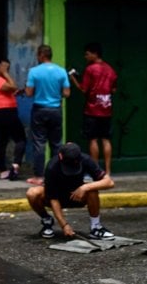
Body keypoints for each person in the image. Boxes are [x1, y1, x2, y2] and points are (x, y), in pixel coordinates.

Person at [26, 142, 116, 240]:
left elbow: (109, 182)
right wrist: (64, 225)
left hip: (76, 196)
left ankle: (96, 227)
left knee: (92, 190)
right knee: (32, 193)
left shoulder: (86, 159)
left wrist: (84, 187)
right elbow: (53, 198)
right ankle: (47, 220)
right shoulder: (52, 166)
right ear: (60, 156)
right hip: (57, 198)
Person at [24, 44, 71, 185]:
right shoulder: (61, 71)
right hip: (56, 109)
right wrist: (55, 94)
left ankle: (39, 176)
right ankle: (57, 174)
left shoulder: (34, 72)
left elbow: (29, 93)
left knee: (39, 143)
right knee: (56, 144)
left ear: (41, 55)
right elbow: (67, 93)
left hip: (40, 109)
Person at [68, 42, 117, 175]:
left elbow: (83, 89)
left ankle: (95, 170)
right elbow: (114, 89)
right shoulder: (110, 69)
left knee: (93, 139)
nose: (86, 57)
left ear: (94, 54)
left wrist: (73, 78)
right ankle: (108, 171)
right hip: (106, 109)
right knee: (106, 139)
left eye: (87, 54)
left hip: (92, 109)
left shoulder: (90, 69)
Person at [0, 58, 26, 180]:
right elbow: (13, 86)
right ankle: (16, 165)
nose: (6, 70)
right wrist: (5, 74)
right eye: (3, 68)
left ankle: (3, 171)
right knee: (21, 139)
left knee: (2, 141)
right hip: (6, 113)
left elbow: (8, 90)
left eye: (7, 68)